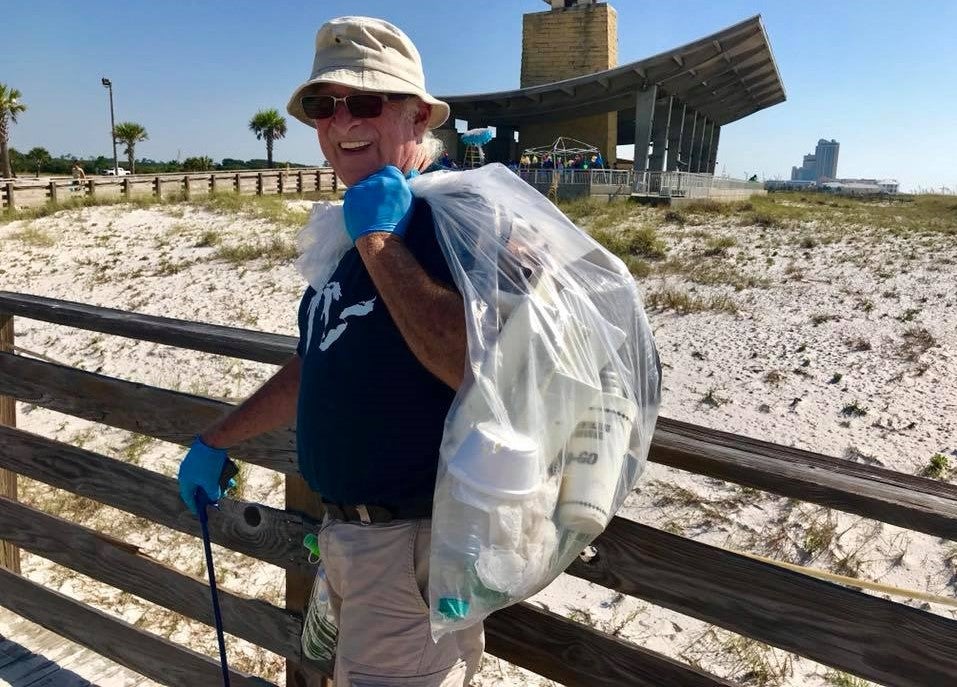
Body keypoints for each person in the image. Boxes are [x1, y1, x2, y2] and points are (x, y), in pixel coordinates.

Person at [176, 16, 483, 687]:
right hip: (346, 539)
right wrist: (218, 438)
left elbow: (469, 365)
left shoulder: (454, 219)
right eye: (323, 105)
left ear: (418, 116)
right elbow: (320, 361)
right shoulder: (352, 225)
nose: (341, 120)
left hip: (412, 548)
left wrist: (378, 239)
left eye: (366, 101)